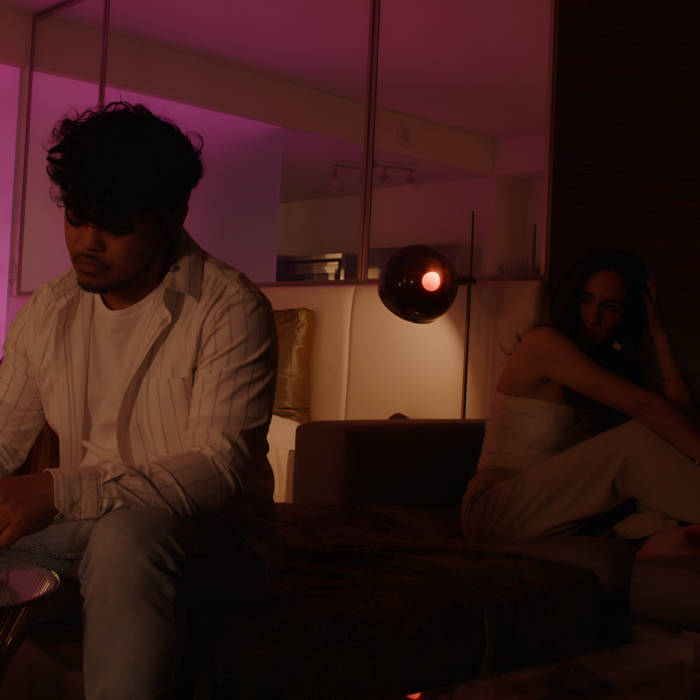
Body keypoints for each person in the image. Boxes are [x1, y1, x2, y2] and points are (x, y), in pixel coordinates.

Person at [0, 102, 277, 698]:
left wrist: (57, 490)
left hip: (209, 541)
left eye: (115, 226)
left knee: (126, 539)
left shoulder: (229, 309)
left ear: (173, 216)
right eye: (77, 218)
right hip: (79, 534)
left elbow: (217, 471)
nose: (87, 242)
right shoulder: (49, 312)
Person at [461, 248, 700, 559]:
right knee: (636, 441)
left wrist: (658, 333)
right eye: (585, 300)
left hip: (567, 512)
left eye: (610, 307)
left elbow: (681, 419)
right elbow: (646, 408)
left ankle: (663, 543)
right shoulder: (542, 343)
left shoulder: (608, 367)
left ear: (626, 316)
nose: (593, 317)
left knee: (659, 516)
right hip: (499, 508)